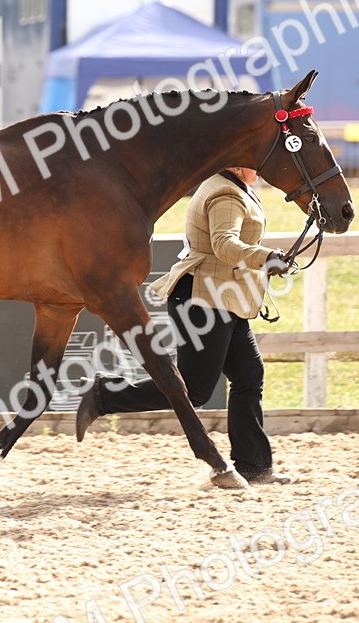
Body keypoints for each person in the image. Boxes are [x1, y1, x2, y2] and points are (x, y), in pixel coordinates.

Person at [75, 166, 294, 485]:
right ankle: (105, 395)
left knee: (249, 376)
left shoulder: (231, 186)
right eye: (252, 161)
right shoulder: (225, 193)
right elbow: (224, 245)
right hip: (204, 300)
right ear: (235, 163)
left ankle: (254, 466)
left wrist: (267, 261)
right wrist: (266, 258)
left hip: (224, 299)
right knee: (194, 390)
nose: (260, 167)